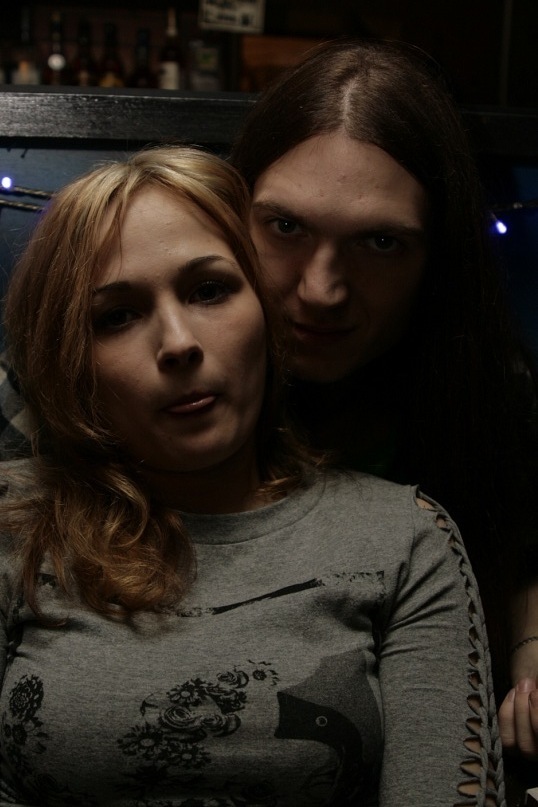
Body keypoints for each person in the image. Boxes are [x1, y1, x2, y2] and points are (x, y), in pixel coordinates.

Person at [0, 146, 503, 805]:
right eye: (117, 315)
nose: (178, 342)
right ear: (70, 359)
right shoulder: (16, 527)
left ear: (264, 310)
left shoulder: (403, 538)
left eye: (209, 290)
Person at [229, 38, 538, 760]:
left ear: (437, 259)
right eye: (286, 227)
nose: (321, 290)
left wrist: (530, 652)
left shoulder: (489, 390)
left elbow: (523, 544)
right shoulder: (144, 373)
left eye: (379, 242)